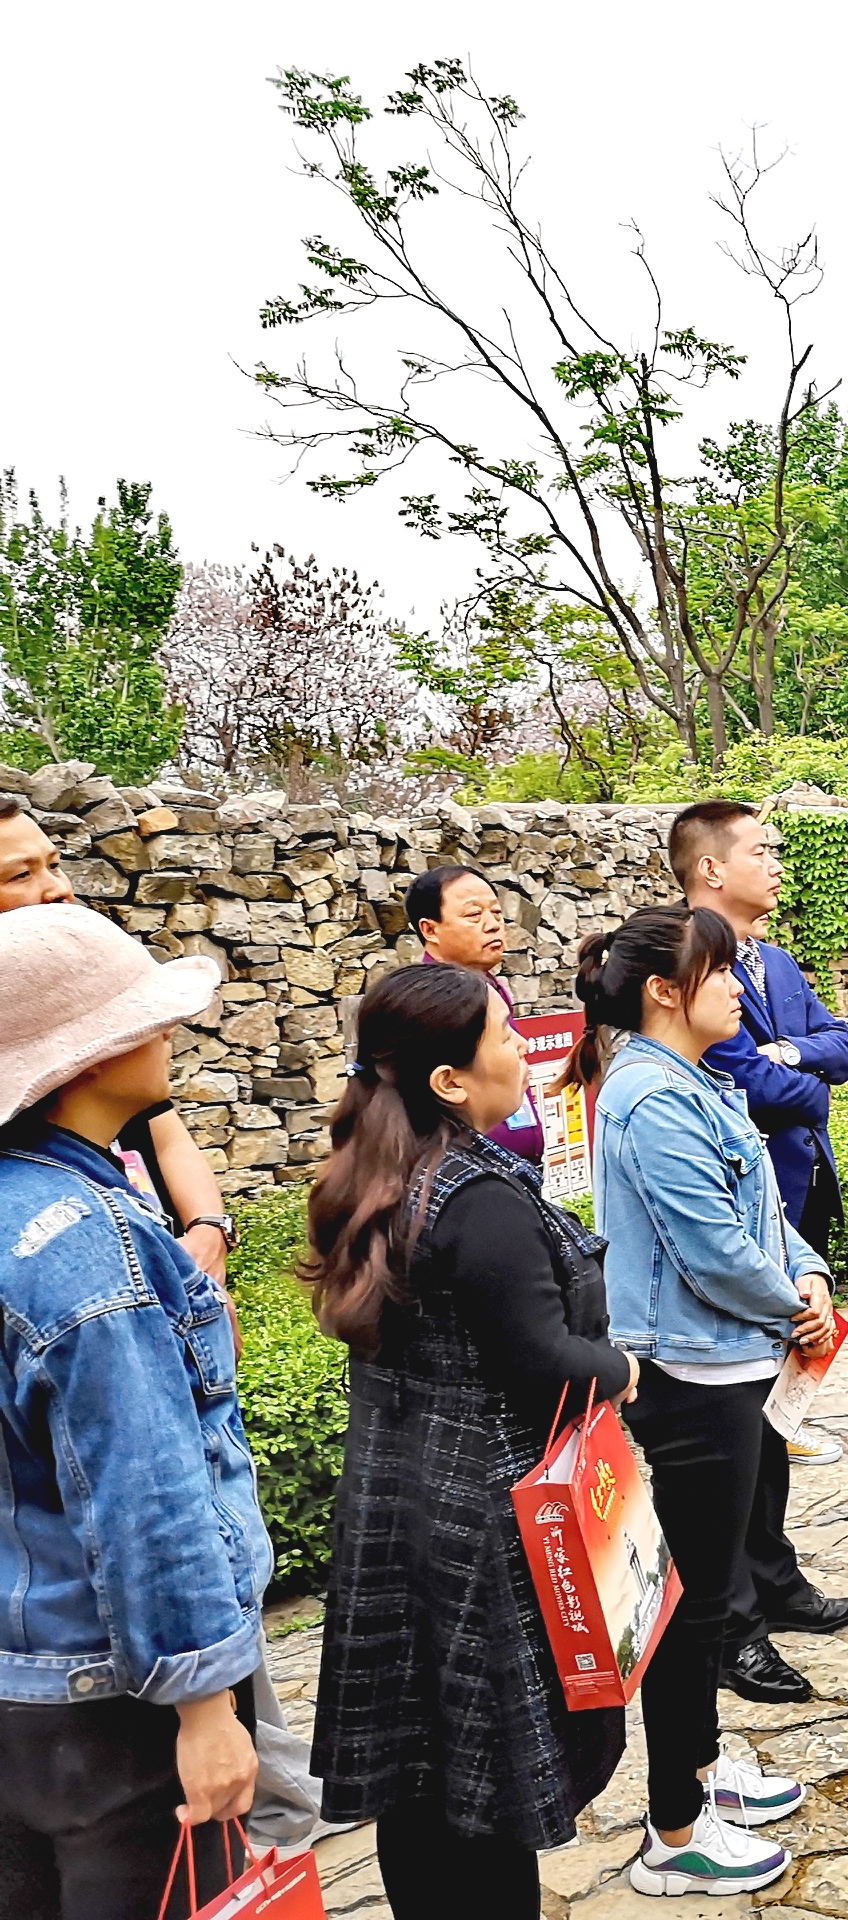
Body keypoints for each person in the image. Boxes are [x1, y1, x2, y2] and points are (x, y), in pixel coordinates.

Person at [303, 964, 631, 1915]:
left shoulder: (382, 1171)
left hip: (395, 1505)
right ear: (449, 1079)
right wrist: (622, 1371)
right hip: (482, 1518)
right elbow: (543, 1358)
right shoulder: (477, 1196)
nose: (520, 1047)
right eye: (502, 1032)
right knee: (480, 1781)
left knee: (424, 1770)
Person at [0, 904, 267, 1918]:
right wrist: (204, 1705)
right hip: (111, 1706)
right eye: (140, 1018)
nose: (166, 1033)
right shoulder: (87, 1247)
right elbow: (145, 1489)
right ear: (81, 1060)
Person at [567, 904, 832, 1898]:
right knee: (687, 1606)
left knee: (705, 1595)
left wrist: (804, 1274)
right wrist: (789, 1308)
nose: (736, 987)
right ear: (663, 993)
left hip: (728, 1361)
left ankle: (706, 1772)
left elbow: (757, 1212)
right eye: (719, 973)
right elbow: (711, 1249)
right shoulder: (647, 1096)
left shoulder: (694, 1080)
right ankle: (674, 1832)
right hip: (687, 1378)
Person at [667, 802, 848, 1702]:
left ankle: (777, 1574)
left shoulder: (773, 962)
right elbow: (744, 1080)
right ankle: (735, 1614)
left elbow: (842, 1049)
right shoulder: (685, 966)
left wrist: (796, 1064)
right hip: (739, 1223)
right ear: (711, 870)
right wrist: (800, 1079)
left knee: (781, 1406)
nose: (777, 862)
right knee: (735, 1425)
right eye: (759, 850)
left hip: (794, 1200)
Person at [0, 798, 234, 1283]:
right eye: (20, 876)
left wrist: (207, 1232)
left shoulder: (75, 987)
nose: (58, 890)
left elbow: (163, 1130)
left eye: (54, 865)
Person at [407, 863, 545, 1165]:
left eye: (496, 913)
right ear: (430, 929)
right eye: (474, 915)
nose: (493, 925)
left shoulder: (490, 988)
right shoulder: (427, 1007)